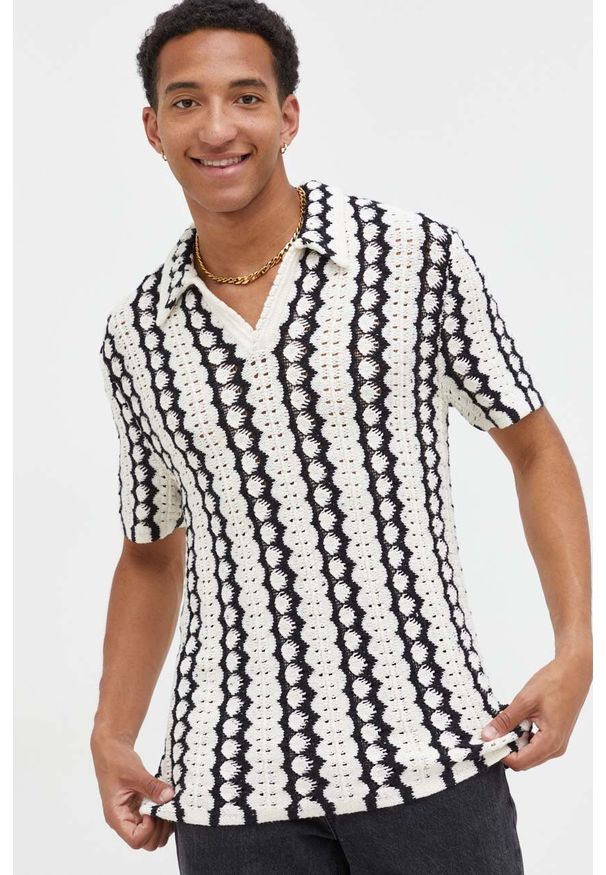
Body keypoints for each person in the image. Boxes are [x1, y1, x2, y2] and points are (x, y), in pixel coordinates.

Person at [89, 1, 593, 872]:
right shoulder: (138, 333)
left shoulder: (412, 259)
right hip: (231, 788)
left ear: (288, 116)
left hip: (428, 753)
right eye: (186, 101)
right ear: (152, 127)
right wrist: (110, 730)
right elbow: (150, 549)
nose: (217, 127)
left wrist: (576, 646)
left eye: (246, 97)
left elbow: (534, 445)